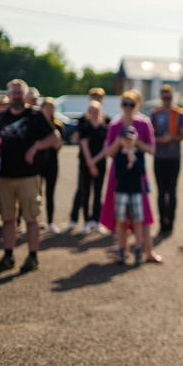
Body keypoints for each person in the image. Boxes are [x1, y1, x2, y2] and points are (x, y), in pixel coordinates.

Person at [0, 79, 61, 273]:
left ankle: (32, 256)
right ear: (8, 95)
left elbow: (55, 137)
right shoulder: (3, 116)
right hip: (5, 175)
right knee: (8, 218)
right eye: (13, 93)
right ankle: (8, 255)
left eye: (20, 93)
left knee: (31, 217)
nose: (16, 96)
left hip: (29, 175)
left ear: (25, 95)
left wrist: (35, 147)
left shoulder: (35, 115)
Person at [92, 91, 161, 262]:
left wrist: (135, 141)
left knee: (142, 215)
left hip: (138, 176)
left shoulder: (144, 123)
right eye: (125, 103)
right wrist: (120, 140)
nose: (128, 107)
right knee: (119, 216)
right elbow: (109, 152)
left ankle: (148, 252)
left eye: (131, 104)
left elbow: (152, 150)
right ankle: (122, 250)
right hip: (119, 176)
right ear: (120, 105)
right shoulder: (115, 125)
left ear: (137, 105)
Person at [105, 126, 146, 265]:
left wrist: (134, 160)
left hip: (136, 191)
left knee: (137, 220)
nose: (128, 142)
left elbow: (142, 171)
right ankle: (122, 248)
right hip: (122, 190)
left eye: (131, 139)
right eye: (126, 139)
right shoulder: (118, 156)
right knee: (121, 220)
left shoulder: (139, 154)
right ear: (121, 140)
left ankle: (138, 248)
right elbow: (118, 175)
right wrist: (128, 165)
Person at [150, 84, 183, 235]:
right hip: (159, 157)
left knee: (172, 192)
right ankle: (162, 222)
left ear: (172, 97)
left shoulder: (179, 113)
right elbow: (150, 135)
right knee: (160, 192)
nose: (167, 99)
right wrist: (161, 140)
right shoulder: (155, 113)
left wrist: (173, 138)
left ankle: (170, 223)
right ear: (161, 97)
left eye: (169, 97)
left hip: (173, 157)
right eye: (164, 97)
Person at [69, 100, 108, 232]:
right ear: (88, 112)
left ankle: (95, 221)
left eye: (96, 111)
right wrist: (91, 163)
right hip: (86, 164)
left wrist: (96, 161)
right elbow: (84, 145)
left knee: (98, 193)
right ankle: (85, 221)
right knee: (85, 192)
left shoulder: (104, 127)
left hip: (100, 164)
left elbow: (106, 147)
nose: (94, 113)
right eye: (92, 111)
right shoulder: (85, 127)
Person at [37, 98, 65, 234]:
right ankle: (36, 221)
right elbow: (37, 143)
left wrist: (44, 142)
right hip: (37, 164)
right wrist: (49, 141)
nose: (49, 110)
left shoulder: (58, 126)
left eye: (51, 108)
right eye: (46, 107)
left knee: (50, 194)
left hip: (52, 164)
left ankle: (50, 222)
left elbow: (58, 145)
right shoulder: (36, 125)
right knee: (36, 194)